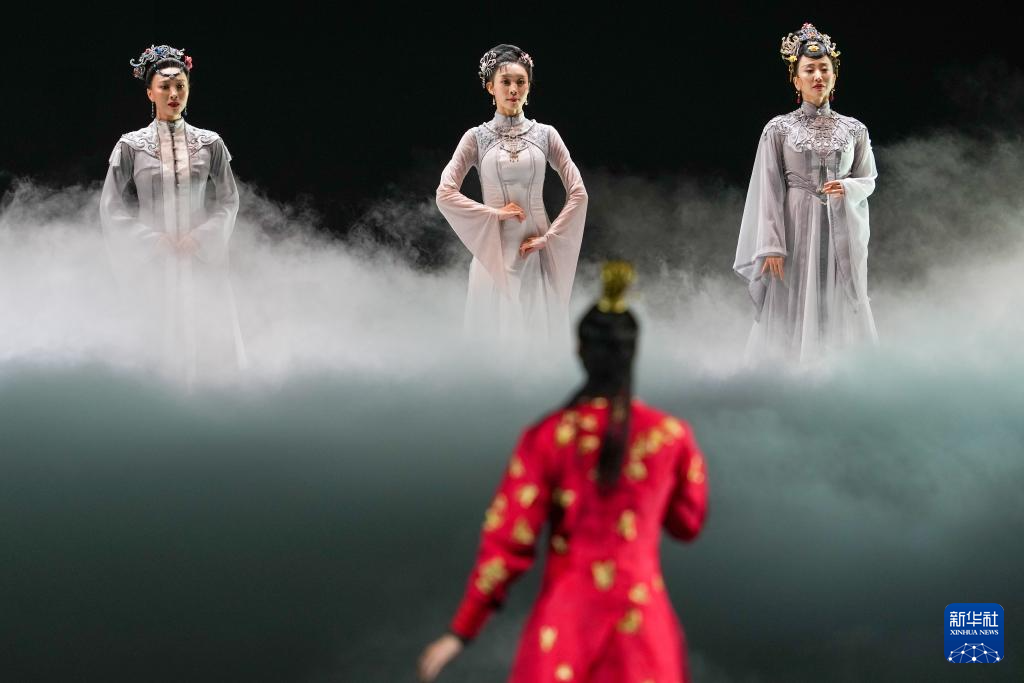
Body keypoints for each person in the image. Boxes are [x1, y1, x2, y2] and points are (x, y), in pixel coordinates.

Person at [418, 262, 709, 682]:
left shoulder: (548, 437)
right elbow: (687, 524)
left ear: (580, 352)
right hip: (642, 636)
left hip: (565, 632)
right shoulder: (671, 436)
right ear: (633, 354)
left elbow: (508, 543)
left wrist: (461, 631)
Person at [100, 45, 245, 384]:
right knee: (152, 338)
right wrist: (150, 240)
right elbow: (110, 206)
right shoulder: (131, 145)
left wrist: (203, 237)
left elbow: (229, 200)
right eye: (164, 86)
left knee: (207, 333)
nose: (173, 93)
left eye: (180, 85)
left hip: (199, 256)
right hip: (154, 258)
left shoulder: (210, 143)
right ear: (150, 93)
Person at [733, 23, 878, 363]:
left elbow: (869, 178)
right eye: (809, 70)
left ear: (834, 76)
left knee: (838, 294)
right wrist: (771, 244)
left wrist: (847, 187)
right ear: (796, 80)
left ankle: (840, 370)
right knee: (795, 294)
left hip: (840, 225)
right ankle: (790, 370)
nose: (817, 76)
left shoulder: (854, 129)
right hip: (796, 226)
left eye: (824, 69)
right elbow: (768, 188)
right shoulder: (779, 129)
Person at [436, 44, 587, 341]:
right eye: (505, 82)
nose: (514, 89)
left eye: (521, 82)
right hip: (494, 250)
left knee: (535, 337)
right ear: (491, 87)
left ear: (529, 87)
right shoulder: (476, 137)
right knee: (494, 336)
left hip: (534, 248)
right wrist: (493, 213)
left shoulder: (546, 134)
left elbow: (578, 192)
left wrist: (550, 238)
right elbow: (445, 193)